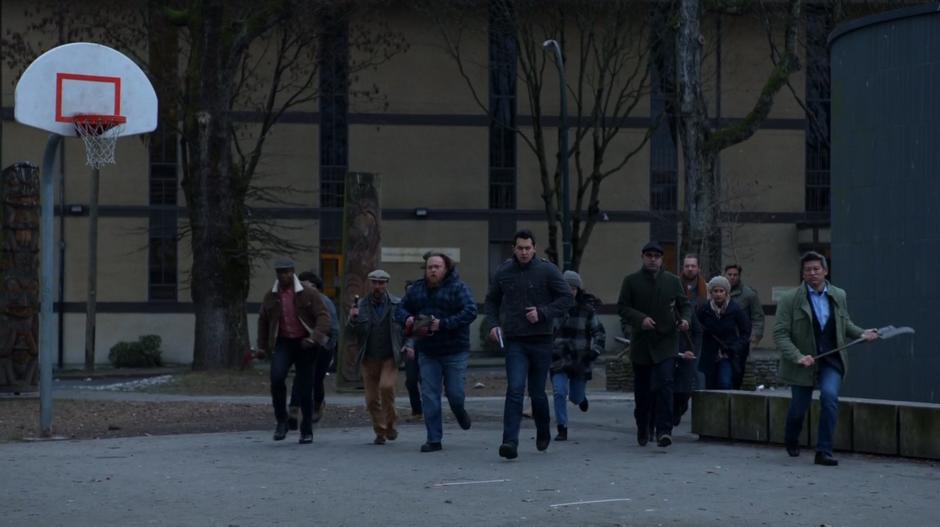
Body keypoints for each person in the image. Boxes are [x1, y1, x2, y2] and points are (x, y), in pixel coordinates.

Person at [774, 251, 878, 466]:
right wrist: (798, 356)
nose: (812, 273)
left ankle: (824, 451)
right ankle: (791, 438)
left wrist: (862, 333)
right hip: (803, 362)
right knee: (798, 409)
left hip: (831, 359)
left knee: (829, 398)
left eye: (816, 269)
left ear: (825, 271)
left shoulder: (839, 294)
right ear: (802, 274)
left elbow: (845, 324)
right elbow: (780, 334)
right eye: (808, 270)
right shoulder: (790, 299)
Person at [484, 229, 573, 460]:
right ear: (514, 249)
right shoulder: (504, 271)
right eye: (520, 248)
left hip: (541, 339)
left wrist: (543, 313)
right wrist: (493, 324)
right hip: (515, 340)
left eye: (527, 248)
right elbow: (491, 301)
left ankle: (543, 429)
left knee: (537, 393)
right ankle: (509, 441)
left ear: (534, 248)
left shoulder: (547, 269)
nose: (524, 252)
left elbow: (566, 298)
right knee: (514, 389)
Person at [396, 253, 477, 452]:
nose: (432, 270)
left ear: (446, 269)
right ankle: (433, 439)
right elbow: (400, 309)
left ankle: (460, 411)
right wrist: (407, 318)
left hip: (455, 350)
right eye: (430, 267)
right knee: (430, 395)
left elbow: (470, 311)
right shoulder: (417, 289)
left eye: (437, 267)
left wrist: (444, 324)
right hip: (427, 350)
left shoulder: (458, 288)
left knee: (455, 393)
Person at [617, 241, 691, 448]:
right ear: (643, 257)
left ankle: (664, 431)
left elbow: (684, 305)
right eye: (649, 255)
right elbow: (622, 307)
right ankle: (643, 427)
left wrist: (685, 320)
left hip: (666, 342)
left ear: (661, 259)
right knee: (643, 392)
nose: (652, 259)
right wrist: (640, 319)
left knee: (665, 386)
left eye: (656, 256)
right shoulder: (631, 281)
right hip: (642, 343)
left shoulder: (672, 281)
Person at [257, 259, 331, 444]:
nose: (284, 276)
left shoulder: (308, 293)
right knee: (276, 378)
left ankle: (306, 430)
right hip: (283, 342)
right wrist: (262, 346)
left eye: (287, 272)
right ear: (277, 274)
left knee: (305, 387)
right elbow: (263, 321)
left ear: (293, 272)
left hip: (305, 342)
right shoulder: (271, 296)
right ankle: (281, 421)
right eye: (281, 273)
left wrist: (314, 337)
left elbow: (323, 317)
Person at [347, 269, 404, 445]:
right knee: (371, 399)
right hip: (369, 357)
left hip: (389, 356)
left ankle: (391, 424)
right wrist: (353, 320)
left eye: (381, 282)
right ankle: (380, 430)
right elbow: (351, 334)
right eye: (375, 282)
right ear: (370, 284)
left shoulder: (397, 304)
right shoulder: (361, 305)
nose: (378, 286)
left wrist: (408, 347)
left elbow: (407, 329)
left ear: (387, 284)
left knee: (386, 387)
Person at [550, 270, 606, 441]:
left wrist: (594, 351)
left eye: (574, 288)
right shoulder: (553, 307)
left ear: (578, 290)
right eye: (567, 287)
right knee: (559, 392)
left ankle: (581, 399)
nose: (570, 291)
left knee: (575, 396)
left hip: (580, 359)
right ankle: (562, 427)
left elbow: (599, 333)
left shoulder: (586, 310)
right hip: (558, 358)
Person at [287, 272, 339, 430]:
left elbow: (334, 327)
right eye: (300, 283)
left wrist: (329, 345)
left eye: (306, 284)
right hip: (303, 344)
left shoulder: (324, 302)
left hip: (322, 345)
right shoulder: (296, 300)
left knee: (317, 379)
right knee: (301, 376)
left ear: (315, 287)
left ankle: (317, 405)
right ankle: (294, 409)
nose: (301, 287)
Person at [696, 275, 750, 389]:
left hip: (728, 354)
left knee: (725, 383)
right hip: (709, 355)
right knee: (710, 386)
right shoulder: (704, 309)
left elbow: (745, 332)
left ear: (726, 293)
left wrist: (735, 347)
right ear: (711, 293)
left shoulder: (735, 309)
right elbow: (696, 328)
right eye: (715, 291)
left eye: (721, 291)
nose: (718, 294)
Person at [673, 254, 706, 426]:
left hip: (696, 339)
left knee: (696, 380)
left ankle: (699, 418)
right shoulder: (675, 286)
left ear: (698, 267)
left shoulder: (705, 289)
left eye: (693, 266)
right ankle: (675, 411)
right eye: (687, 266)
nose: (690, 269)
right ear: (683, 267)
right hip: (676, 340)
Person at [724, 264, 765, 389]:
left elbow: (758, 317)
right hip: (721, 338)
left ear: (739, 276)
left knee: (738, 372)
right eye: (729, 274)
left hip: (740, 340)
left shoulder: (749, 294)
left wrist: (754, 338)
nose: (732, 277)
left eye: (735, 275)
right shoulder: (718, 290)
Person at [402, 280, 422, 421]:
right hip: (410, 350)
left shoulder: (423, 306)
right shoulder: (403, 309)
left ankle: (427, 409)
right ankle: (417, 411)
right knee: (411, 381)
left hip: (423, 349)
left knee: (426, 381)